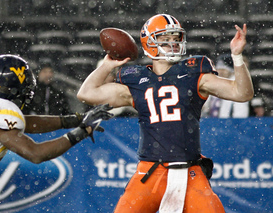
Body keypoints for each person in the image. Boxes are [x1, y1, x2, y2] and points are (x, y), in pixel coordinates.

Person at [77, 14, 254, 212]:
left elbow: (243, 93)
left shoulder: (194, 75)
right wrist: (108, 64)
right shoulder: (138, 81)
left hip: (191, 171)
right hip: (150, 172)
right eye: (165, 39)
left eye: (175, 39)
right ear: (150, 43)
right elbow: (86, 93)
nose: (172, 44)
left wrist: (237, 57)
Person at [0, 55, 113, 213]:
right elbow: (36, 154)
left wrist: (75, 120)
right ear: (11, 88)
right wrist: (83, 131)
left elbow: (27, 123)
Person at [201, 54, 250, 118]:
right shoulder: (212, 83)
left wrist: (234, 125)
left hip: (229, 124)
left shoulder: (238, 85)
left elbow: (240, 113)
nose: (221, 72)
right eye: (219, 69)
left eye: (224, 69)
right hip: (210, 124)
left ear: (231, 70)